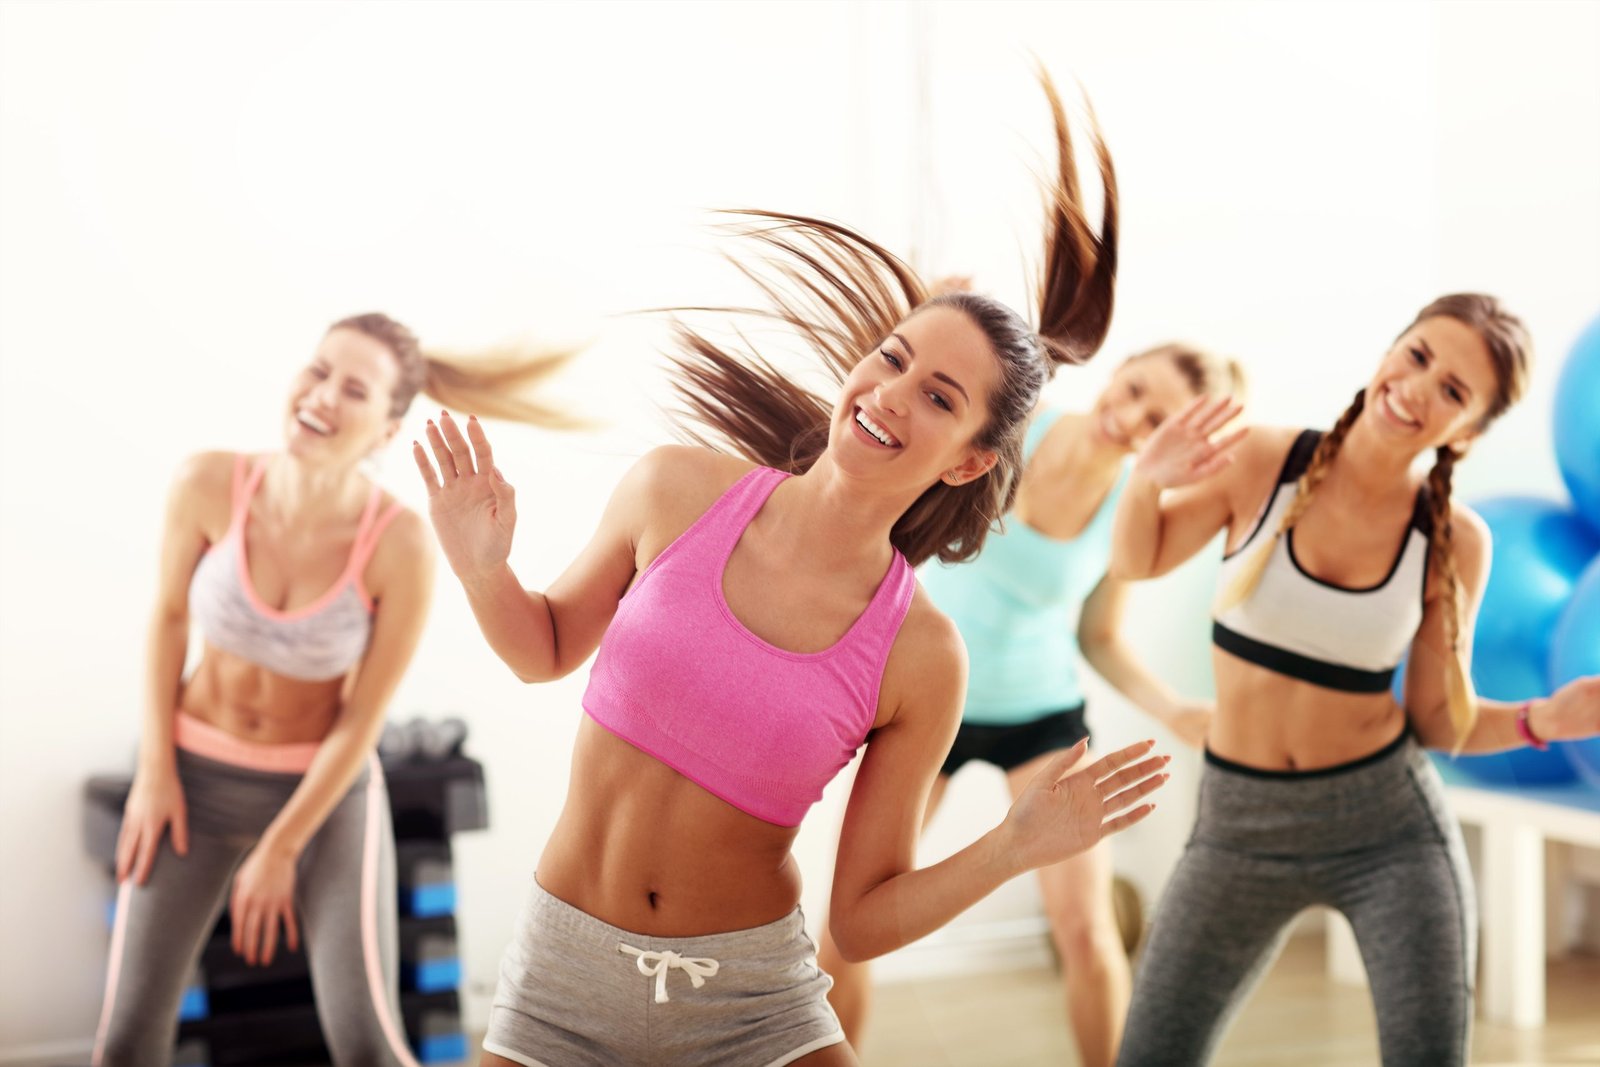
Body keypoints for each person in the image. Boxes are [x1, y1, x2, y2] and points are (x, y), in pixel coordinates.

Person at [416, 75, 1170, 1067]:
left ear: (968, 458)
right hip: (564, 981)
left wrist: (1016, 843)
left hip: (752, 1006)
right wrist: (482, 569)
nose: (891, 394)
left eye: (939, 396)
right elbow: (543, 647)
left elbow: (857, 922)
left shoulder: (920, 652)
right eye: (892, 359)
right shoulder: (675, 488)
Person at [1109, 294, 1600, 1066]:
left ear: (1466, 431)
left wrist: (1548, 718)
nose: (1418, 387)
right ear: (1391, 349)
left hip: (1388, 831)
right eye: (1418, 355)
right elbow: (1140, 560)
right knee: (1152, 1053)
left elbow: (1441, 721)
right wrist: (1146, 480)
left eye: (1453, 391)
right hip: (1238, 826)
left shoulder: (1453, 540)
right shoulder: (1262, 460)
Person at [93, 314, 573, 1066]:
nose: (322, 395)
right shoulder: (207, 482)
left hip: (324, 793)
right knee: (125, 1042)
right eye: (317, 371)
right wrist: (154, 772)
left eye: (354, 389)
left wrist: (282, 845)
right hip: (191, 778)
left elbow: (362, 718)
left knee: (366, 1043)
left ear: (387, 428)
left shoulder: (400, 543)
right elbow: (167, 620)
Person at [816, 335, 1244, 1065]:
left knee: (1085, 929)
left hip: (1043, 716)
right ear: (1121, 368)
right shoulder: (1014, 425)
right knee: (847, 930)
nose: (1131, 416)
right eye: (1136, 389)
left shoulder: (1127, 515)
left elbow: (1100, 636)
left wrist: (1174, 710)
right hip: (925, 707)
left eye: (1157, 421)